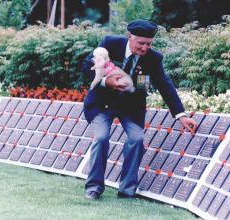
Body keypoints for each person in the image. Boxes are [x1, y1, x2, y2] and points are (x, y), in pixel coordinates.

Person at [82, 19, 197, 200]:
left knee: (137, 139)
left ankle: (127, 190)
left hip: (130, 108)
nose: (144, 48)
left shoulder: (153, 58)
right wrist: (106, 82)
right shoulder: (109, 45)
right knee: (101, 137)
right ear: (130, 37)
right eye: (141, 43)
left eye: (149, 44)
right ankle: (94, 187)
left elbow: (164, 84)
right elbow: (86, 68)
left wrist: (181, 116)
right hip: (101, 104)